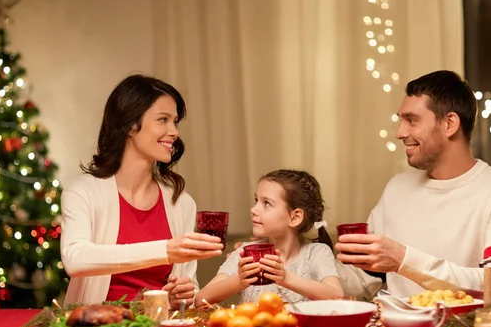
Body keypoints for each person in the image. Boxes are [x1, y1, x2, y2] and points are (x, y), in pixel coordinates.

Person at [337, 70, 491, 301]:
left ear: (449, 123)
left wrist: (404, 260)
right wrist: (299, 262)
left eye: (412, 120)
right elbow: (363, 280)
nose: (400, 133)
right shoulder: (397, 187)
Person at [60, 74, 223, 309]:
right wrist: (166, 250)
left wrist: (180, 296)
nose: (174, 131)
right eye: (163, 120)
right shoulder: (82, 192)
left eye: (175, 121)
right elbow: (75, 259)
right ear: (129, 125)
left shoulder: (182, 203)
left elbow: (188, 291)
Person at [196, 170, 344, 305]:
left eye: (266, 203)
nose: (253, 210)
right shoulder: (245, 252)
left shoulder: (316, 253)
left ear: (295, 217)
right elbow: (200, 300)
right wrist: (239, 281)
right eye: (256, 201)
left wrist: (285, 278)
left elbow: (337, 297)